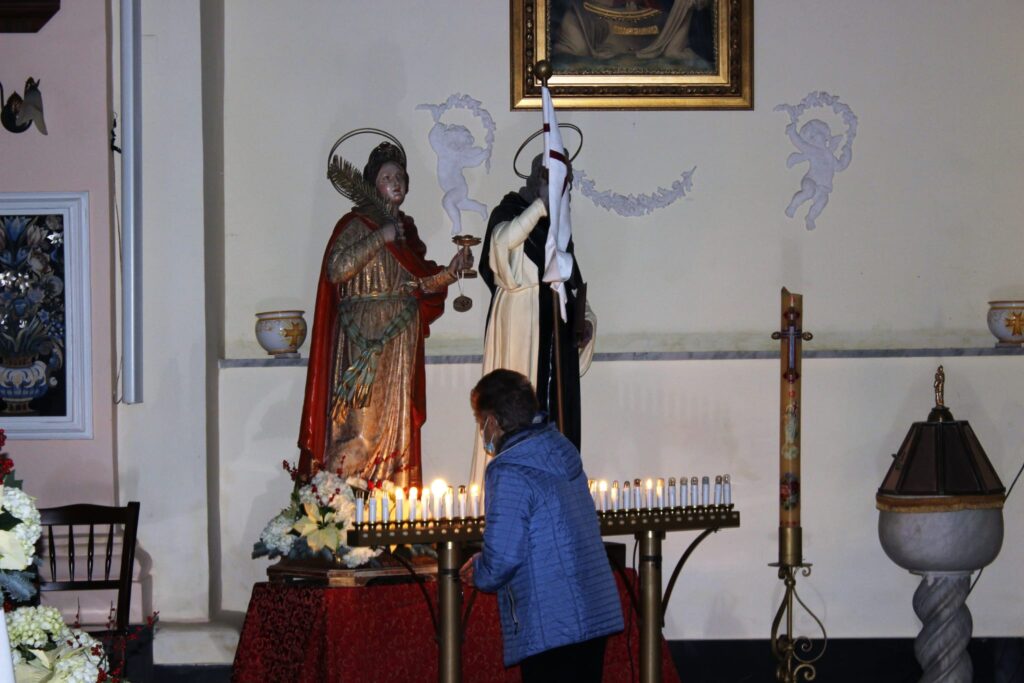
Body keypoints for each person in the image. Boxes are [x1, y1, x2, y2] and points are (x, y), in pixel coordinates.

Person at [297, 141, 471, 488]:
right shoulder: (355, 224)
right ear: (372, 184)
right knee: (359, 427)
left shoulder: (406, 232)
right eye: (387, 177)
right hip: (362, 335)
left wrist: (450, 273)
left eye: (400, 176)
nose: (396, 182)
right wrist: (381, 236)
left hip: (399, 339)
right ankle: (342, 501)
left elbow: (417, 283)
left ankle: (392, 498)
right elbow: (337, 269)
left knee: (396, 426)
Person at [460, 369, 623, 680]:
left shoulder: (509, 470)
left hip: (552, 620)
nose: (482, 431)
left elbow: (503, 558)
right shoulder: (560, 448)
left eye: (481, 423)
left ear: (493, 421)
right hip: (592, 611)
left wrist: (478, 570)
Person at [469, 153, 596, 490]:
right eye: (555, 179)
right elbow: (500, 246)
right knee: (515, 411)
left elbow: (572, 287)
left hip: (557, 339)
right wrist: (539, 206)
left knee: (557, 414)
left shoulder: (560, 229)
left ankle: (556, 491)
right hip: (521, 323)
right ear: (539, 177)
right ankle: (513, 489)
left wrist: (585, 324)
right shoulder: (510, 209)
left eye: (566, 182)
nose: (562, 188)